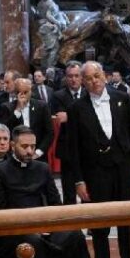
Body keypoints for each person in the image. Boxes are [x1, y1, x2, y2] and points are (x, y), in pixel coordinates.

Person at [0, 125, 96, 258]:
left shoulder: (42, 169)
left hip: (45, 225)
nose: (30, 151)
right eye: (24, 147)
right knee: (33, 242)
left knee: (75, 235)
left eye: (33, 146)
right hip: (13, 232)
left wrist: (50, 225)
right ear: (13, 146)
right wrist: (30, 227)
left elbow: (55, 203)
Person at [66, 61, 130, 258]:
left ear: (105, 76)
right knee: (100, 226)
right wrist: (79, 181)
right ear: (82, 81)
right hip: (95, 172)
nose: (93, 81)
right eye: (87, 78)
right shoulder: (77, 108)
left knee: (126, 223)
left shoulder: (122, 99)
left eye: (97, 76)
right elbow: (74, 149)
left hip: (122, 169)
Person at [52, 61, 85, 205]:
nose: (73, 79)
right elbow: (60, 117)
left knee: (88, 189)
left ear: (82, 77)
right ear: (66, 78)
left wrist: (70, 116)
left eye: (77, 76)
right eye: (70, 76)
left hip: (87, 146)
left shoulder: (88, 93)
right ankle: (72, 227)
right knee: (69, 190)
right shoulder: (58, 95)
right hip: (68, 147)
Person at [0, 77, 52, 161]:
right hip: (15, 156)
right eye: (19, 92)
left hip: (38, 155)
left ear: (31, 91)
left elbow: (49, 133)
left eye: (25, 92)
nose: (22, 95)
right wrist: (18, 110)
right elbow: (4, 131)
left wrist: (38, 152)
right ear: (15, 93)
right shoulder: (6, 107)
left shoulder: (42, 106)